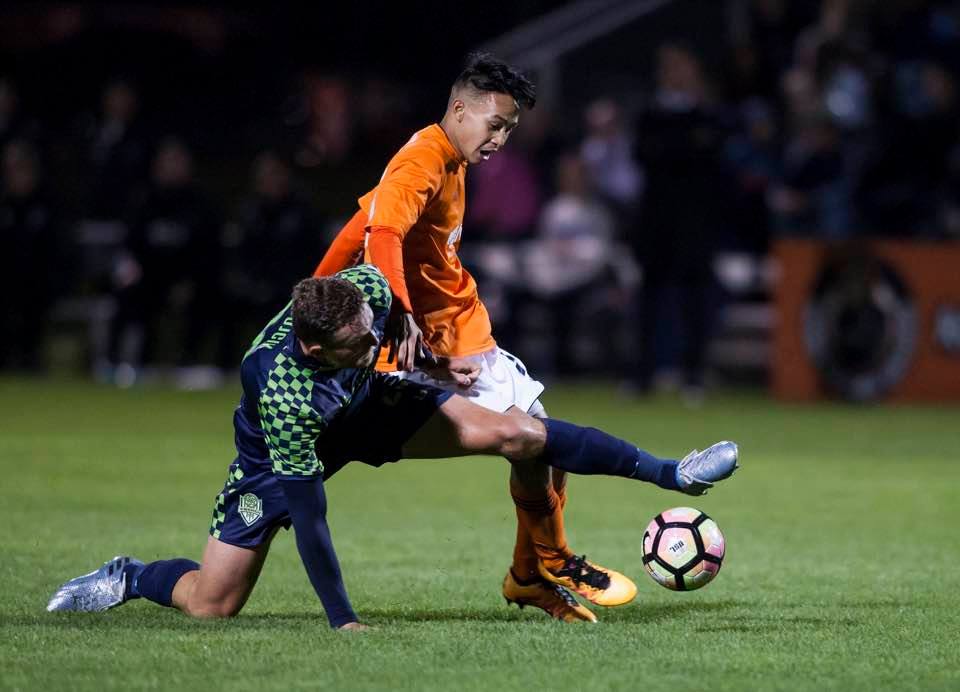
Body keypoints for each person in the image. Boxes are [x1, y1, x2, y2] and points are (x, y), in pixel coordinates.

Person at [47, 264, 739, 628]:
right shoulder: (284, 395)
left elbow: (390, 297)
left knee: (519, 434)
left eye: (369, 324)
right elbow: (311, 521)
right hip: (290, 455)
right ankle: (130, 576)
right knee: (212, 605)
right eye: (358, 337)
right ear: (316, 346)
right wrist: (343, 621)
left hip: (366, 402)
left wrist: (422, 352)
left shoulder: (359, 293)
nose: (371, 335)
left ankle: (672, 474)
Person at [313, 54, 666, 620]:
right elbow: (381, 233)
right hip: (426, 347)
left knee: (546, 445)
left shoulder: (450, 158)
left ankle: (532, 572)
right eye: (495, 124)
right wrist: (393, 311)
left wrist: (315, 286)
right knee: (534, 440)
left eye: (509, 129)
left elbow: (359, 226)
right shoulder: (424, 158)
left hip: (456, 335)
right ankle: (545, 562)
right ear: (459, 108)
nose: (500, 138)